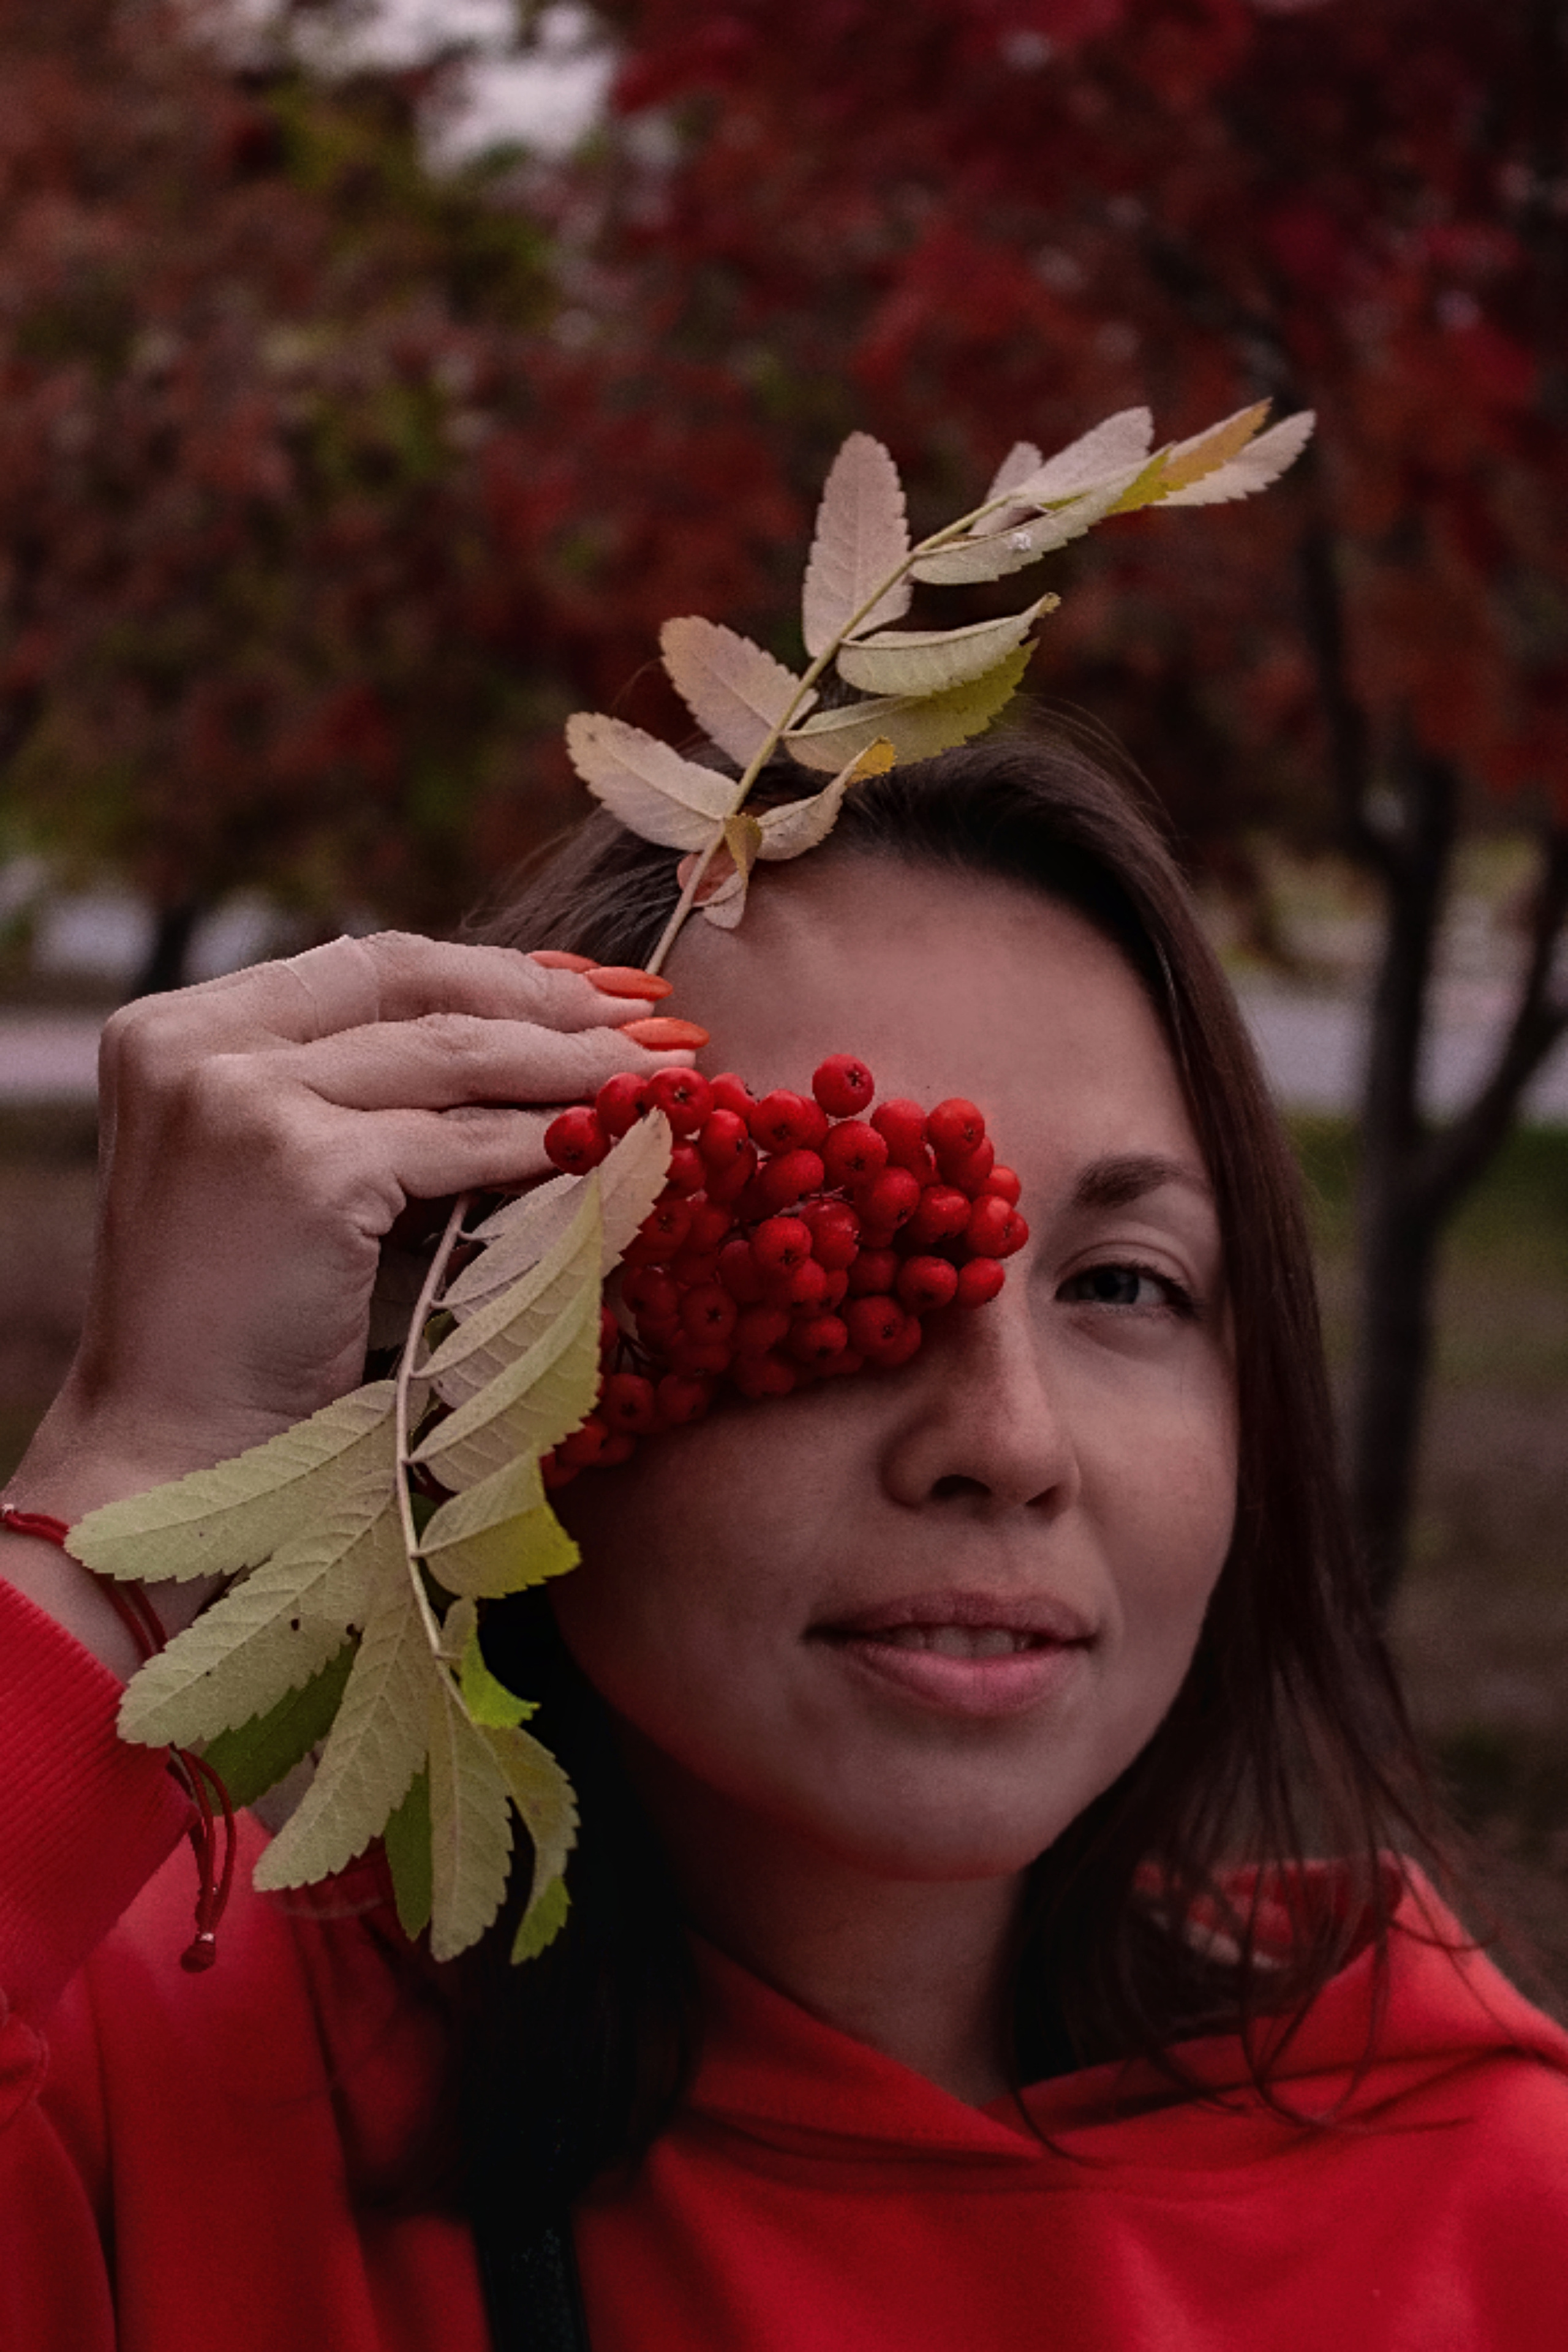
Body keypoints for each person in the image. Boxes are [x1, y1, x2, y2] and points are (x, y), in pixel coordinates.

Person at [2, 732, 1566, 2352]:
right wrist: (121, 1489)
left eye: (1125, 1284)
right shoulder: (138, 2092)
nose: (1009, 1443)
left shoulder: (1488, 2206)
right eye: (818, 1254)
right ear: (493, 1371)